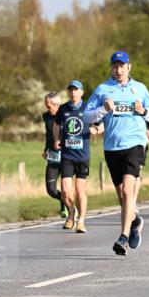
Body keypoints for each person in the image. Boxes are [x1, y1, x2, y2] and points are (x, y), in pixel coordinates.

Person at [86, 51, 149, 255]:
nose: (119, 70)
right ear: (111, 68)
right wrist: (103, 110)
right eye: (115, 66)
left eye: (122, 66)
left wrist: (143, 111)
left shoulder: (140, 89)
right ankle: (135, 220)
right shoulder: (102, 89)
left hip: (135, 143)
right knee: (122, 197)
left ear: (129, 67)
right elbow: (86, 116)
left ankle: (123, 237)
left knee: (128, 192)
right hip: (112, 147)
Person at [53, 81, 93, 233]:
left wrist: (96, 130)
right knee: (65, 190)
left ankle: (81, 221)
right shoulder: (63, 109)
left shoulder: (88, 107)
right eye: (70, 90)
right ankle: (71, 212)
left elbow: (100, 123)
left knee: (79, 190)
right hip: (67, 155)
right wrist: (57, 139)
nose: (73, 93)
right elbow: (56, 125)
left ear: (82, 92)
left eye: (76, 90)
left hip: (82, 156)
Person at [41, 92, 67, 218]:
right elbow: (48, 134)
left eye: (49, 106)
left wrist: (61, 142)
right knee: (51, 189)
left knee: (66, 187)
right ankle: (64, 202)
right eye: (46, 106)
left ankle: (68, 209)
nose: (47, 108)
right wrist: (46, 149)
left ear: (57, 104)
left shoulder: (66, 115)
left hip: (67, 156)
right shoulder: (46, 116)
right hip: (52, 156)